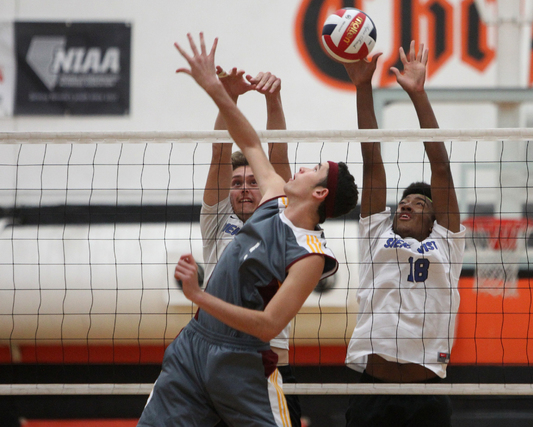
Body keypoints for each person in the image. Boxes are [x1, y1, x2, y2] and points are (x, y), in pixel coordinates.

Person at [137, 33, 358, 427]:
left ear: (320, 192)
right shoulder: (274, 194)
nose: (302, 169)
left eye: (314, 170)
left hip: (244, 359)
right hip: (194, 344)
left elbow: (270, 325)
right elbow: (250, 141)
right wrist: (217, 91)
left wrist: (200, 296)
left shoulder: (311, 255)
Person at [343, 41, 465, 427]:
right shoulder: (377, 230)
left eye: (419, 203)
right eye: (404, 201)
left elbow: (441, 170)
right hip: (372, 393)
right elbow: (371, 160)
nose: (407, 205)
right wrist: (364, 87)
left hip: (425, 396)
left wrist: (418, 95)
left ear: (435, 219)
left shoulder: (446, 241)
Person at [202, 66, 301, 427]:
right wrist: (228, 96)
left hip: (269, 361)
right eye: (236, 182)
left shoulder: (280, 220)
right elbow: (218, 155)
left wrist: (273, 100)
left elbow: (277, 156)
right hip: (217, 357)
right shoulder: (216, 221)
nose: (244, 187)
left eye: (251, 182)